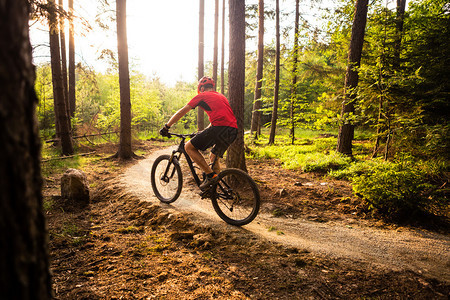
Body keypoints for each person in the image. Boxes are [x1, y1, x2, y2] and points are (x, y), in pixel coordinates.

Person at [160, 76, 238, 191]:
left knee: (188, 147)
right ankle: (213, 190)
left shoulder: (202, 96)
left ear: (201, 88)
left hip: (219, 128)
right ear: (212, 87)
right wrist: (202, 132)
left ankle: (210, 176)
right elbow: (219, 119)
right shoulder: (221, 97)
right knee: (213, 157)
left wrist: (167, 126)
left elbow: (182, 111)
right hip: (232, 130)